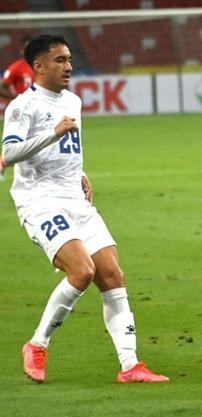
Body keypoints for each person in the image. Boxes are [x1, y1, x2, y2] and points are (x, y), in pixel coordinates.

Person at [2, 35, 168, 384]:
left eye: (69, 59)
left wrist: (81, 173)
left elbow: (69, 148)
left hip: (76, 199)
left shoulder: (73, 101)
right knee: (82, 271)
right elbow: (10, 153)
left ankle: (130, 365)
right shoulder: (22, 106)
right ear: (39, 66)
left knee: (112, 275)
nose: (69, 67)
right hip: (40, 201)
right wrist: (52, 132)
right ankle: (36, 344)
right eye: (60, 60)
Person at [0, 37, 34, 181]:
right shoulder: (17, 67)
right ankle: (2, 164)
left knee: (32, 140)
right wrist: (14, 98)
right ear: (21, 51)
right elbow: (2, 85)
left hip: (36, 109)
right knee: (17, 142)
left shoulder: (39, 66)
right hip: (20, 110)